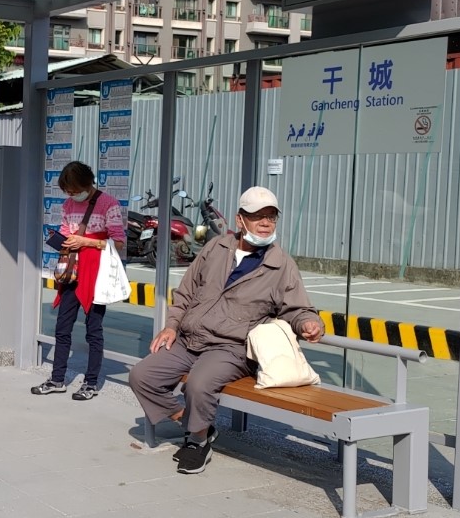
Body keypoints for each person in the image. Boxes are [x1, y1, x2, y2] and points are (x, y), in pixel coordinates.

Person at [128, 186, 323, 475]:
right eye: (258, 216)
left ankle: (197, 442)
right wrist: (171, 326)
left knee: (198, 384)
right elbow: (186, 292)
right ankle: (193, 424)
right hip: (190, 338)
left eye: (271, 217)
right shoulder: (215, 248)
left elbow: (297, 308)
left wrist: (308, 323)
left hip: (231, 348)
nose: (266, 223)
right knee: (142, 375)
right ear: (240, 220)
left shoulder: (281, 263)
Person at [31, 161, 126, 401]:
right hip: (72, 272)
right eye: (68, 192)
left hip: (96, 274)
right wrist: (61, 239)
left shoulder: (109, 204)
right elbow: (66, 231)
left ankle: (91, 383)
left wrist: (86, 241)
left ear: (87, 184)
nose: (72, 195)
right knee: (62, 327)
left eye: (75, 190)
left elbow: (119, 243)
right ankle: (57, 379)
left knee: (93, 330)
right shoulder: (68, 204)